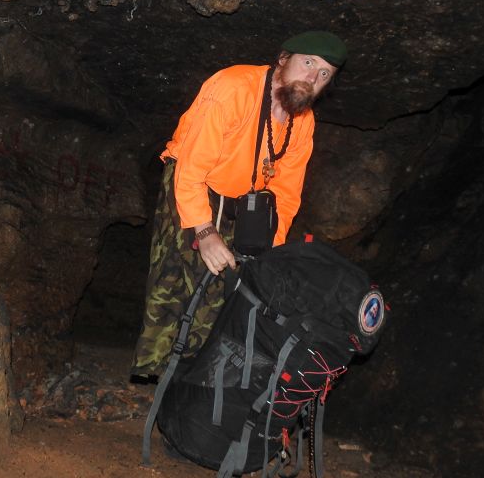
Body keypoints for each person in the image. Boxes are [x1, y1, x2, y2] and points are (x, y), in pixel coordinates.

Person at [131, 31, 347, 378]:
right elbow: (191, 167)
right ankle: (159, 369)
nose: (312, 77)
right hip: (194, 183)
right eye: (308, 63)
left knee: (229, 285)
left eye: (324, 74)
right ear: (283, 60)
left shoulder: (302, 122)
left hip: (246, 203)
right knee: (178, 276)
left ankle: (196, 376)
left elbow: (286, 195)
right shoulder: (233, 88)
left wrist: (271, 254)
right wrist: (204, 231)